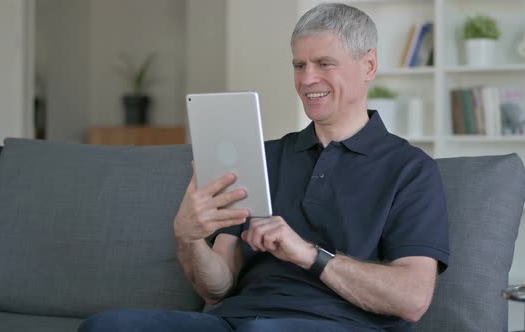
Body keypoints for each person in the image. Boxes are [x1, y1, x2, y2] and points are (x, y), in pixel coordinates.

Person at [78, 3, 449, 332]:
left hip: (333, 324)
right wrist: (188, 239)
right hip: (235, 321)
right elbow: (218, 286)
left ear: (368, 65)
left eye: (324, 64)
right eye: (299, 65)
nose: (306, 79)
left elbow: (411, 299)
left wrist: (307, 253)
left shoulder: (411, 170)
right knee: (106, 326)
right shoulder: (262, 156)